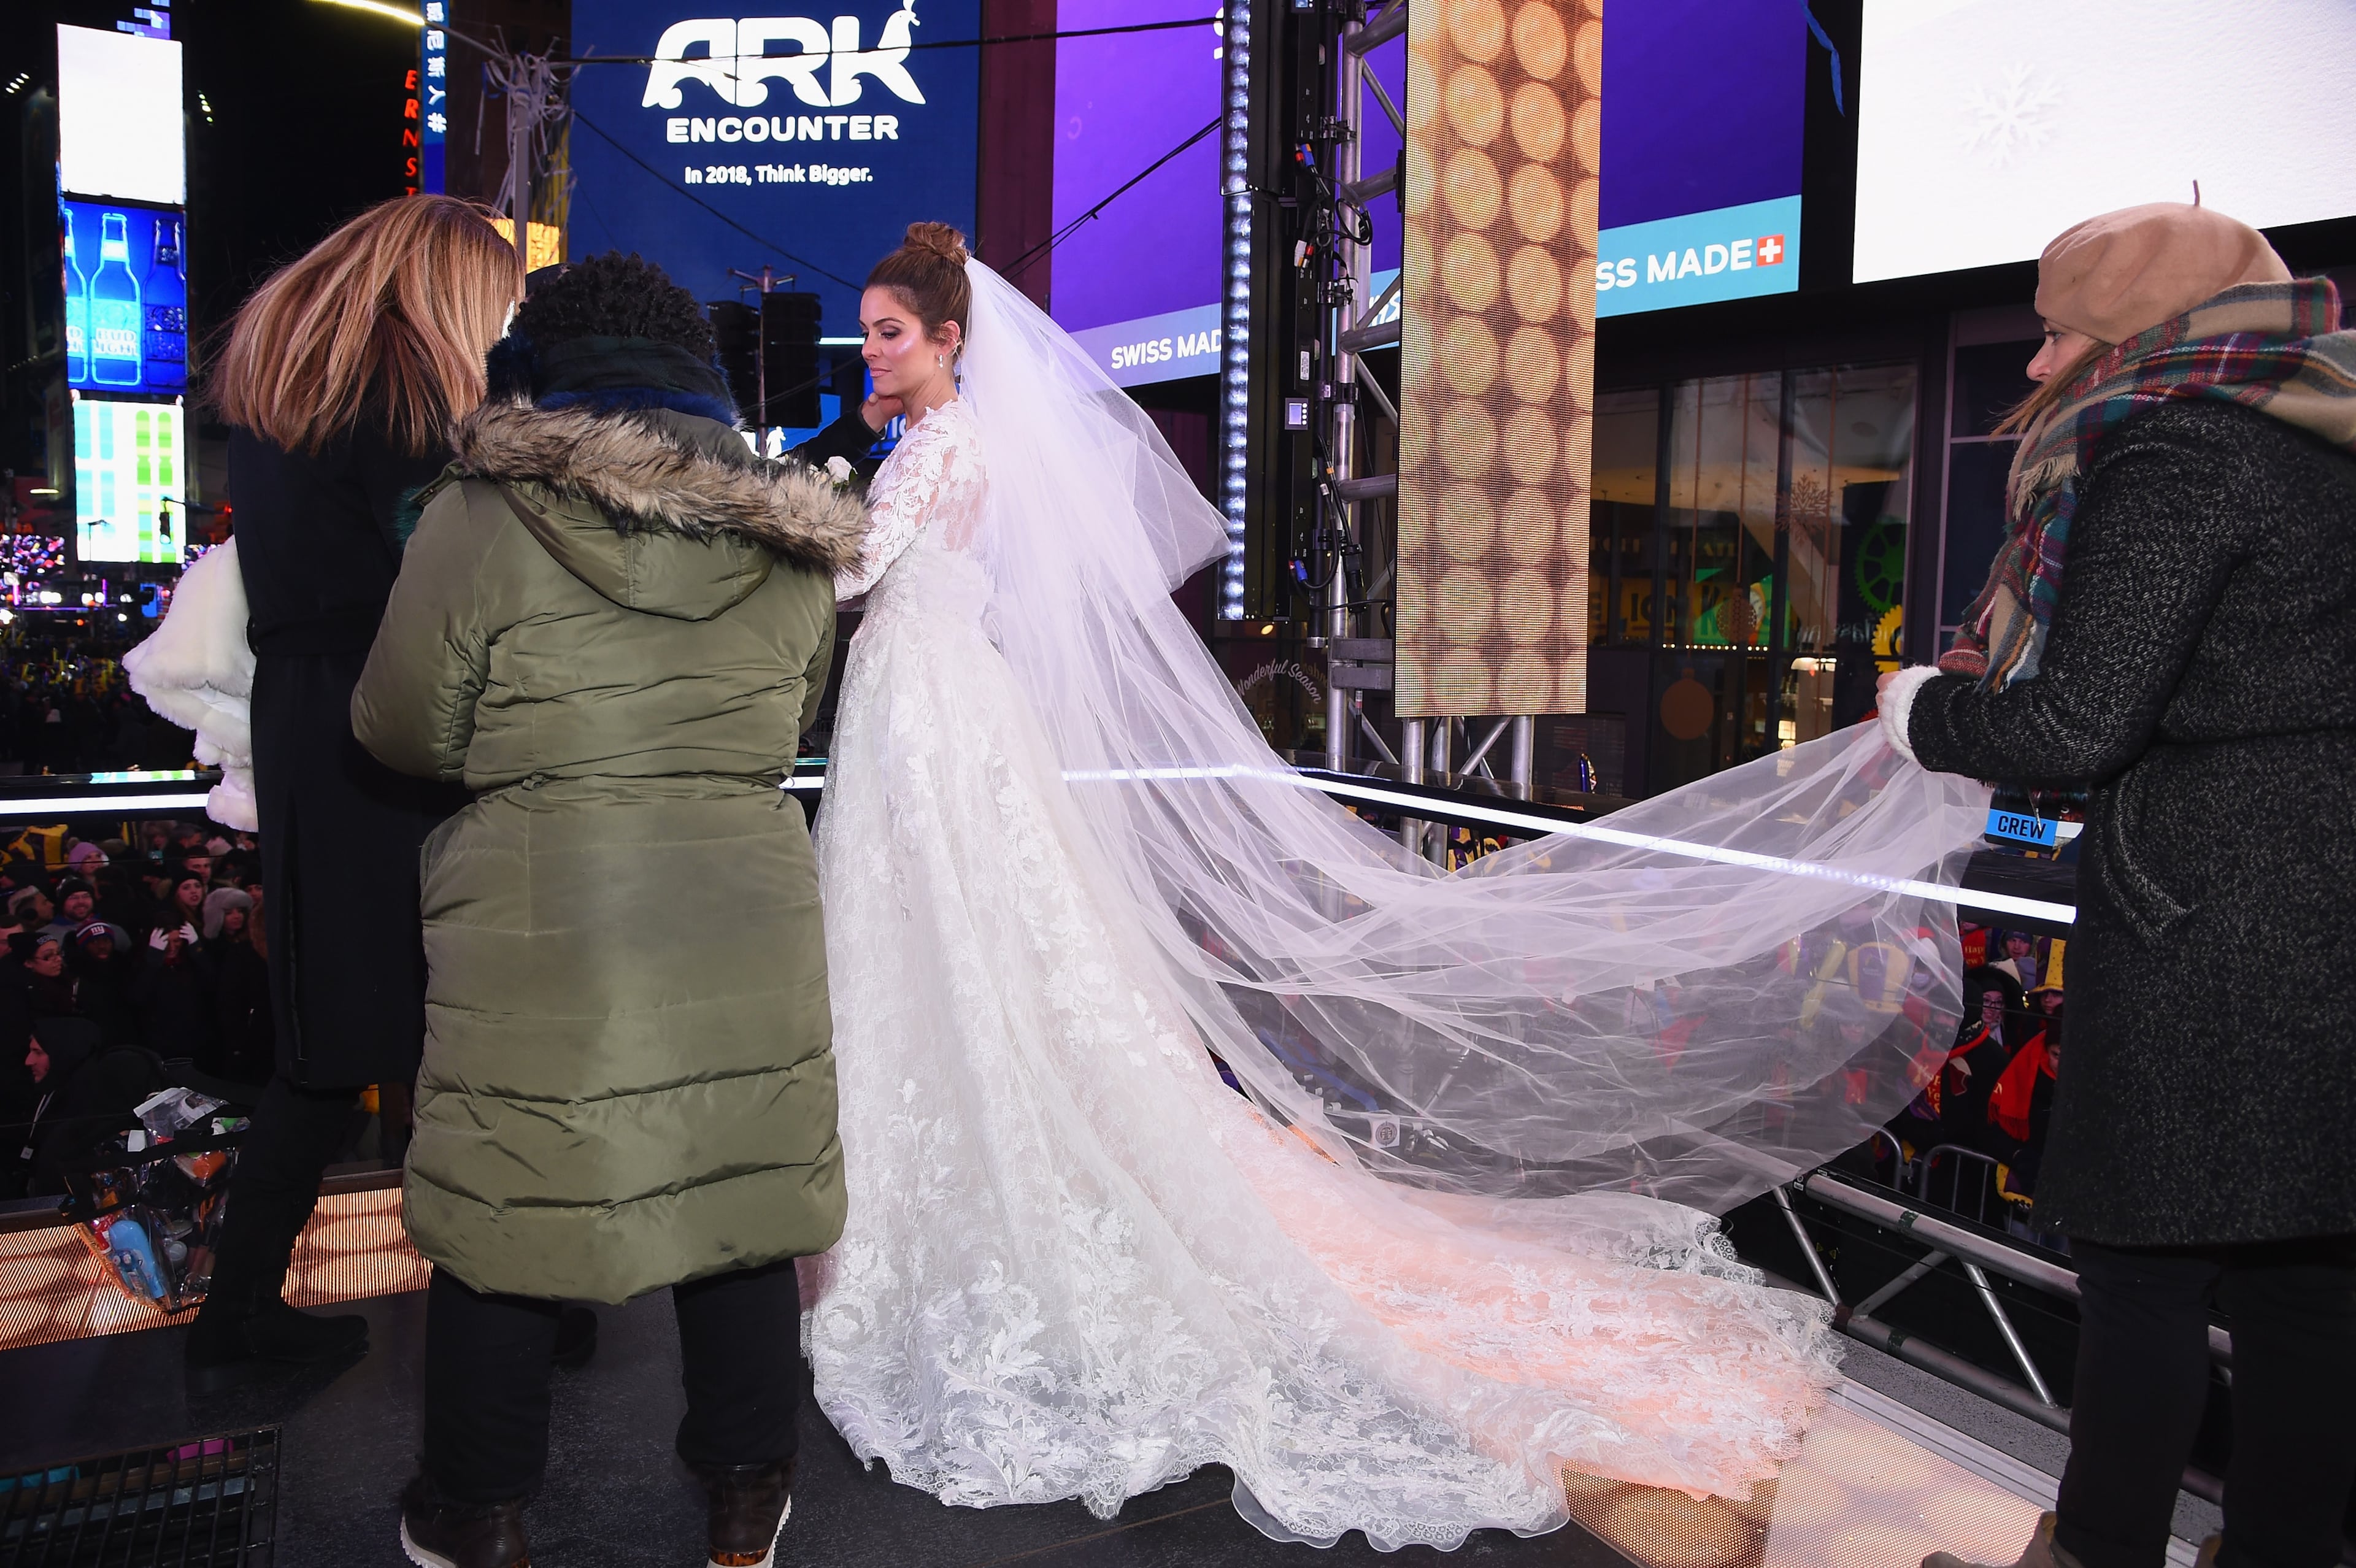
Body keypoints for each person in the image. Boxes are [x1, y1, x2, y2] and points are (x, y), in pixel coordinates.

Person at [798, 225, 1990, 1550]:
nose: (877, 352)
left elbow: (852, 572)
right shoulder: (956, 444)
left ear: (951, 339)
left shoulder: (940, 446)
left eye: (893, 332)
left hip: (925, 714)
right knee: (968, 945)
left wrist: (786, 524)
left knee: (948, 940)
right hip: (941, 707)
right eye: (873, 334)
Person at [351, 251, 866, 1568]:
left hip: (546, 907)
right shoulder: (793, 534)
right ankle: (748, 1494)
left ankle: (478, 1511)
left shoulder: (480, 518)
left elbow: (402, 728)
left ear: (547, 371)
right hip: (742, 899)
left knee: (509, 1206)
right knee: (740, 1196)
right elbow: (792, 720)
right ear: (696, 371)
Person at [1877, 204, 2356, 1568]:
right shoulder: (2328, 430)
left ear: (2144, 338)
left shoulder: (2181, 447)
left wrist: (1923, 713)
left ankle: (2093, 1553)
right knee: (2310, 1290)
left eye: (2062, 334)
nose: (2036, 370)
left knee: (2143, 1278)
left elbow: (2079, 725)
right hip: (2325, 913)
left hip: (2209, 915)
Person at [154, 195, 525, 1390]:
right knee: (469, 1020)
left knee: (329, 1034)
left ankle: (239, 1312)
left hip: (308, 717)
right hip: (401, 704)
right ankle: (517, 1301)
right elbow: (449, 562)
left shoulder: (285, 383)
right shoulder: (400, 399)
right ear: (439, 288)